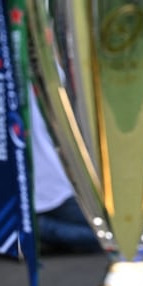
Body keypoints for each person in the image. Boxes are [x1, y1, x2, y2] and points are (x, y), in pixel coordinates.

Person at [30, 91, 102, 255]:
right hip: (52, 186)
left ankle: (38, 232)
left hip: (54, 186)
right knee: (105, 234)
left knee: (106, 233)